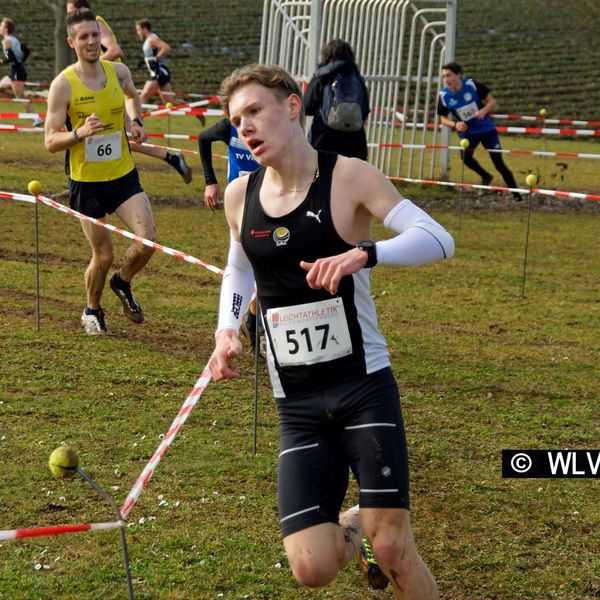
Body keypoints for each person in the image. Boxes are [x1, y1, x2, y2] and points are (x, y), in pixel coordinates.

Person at [207, 63, 454, 598]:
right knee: (311, 567)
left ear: (292, 107)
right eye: (235, 119)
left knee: (393, 550)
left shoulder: (349, 176)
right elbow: (240, 267)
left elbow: (437, 237)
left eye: (255, 111)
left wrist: (364, 254)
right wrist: (227, 331)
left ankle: (379, 532)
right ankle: (357, 522)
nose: (244, 127)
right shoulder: (239, 194)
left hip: (363, 385)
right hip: (296, 400)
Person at [45, 7, 157, 335]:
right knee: (103, 254)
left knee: (148, 241)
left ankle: (122, 283)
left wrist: (135, 123)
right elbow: (50, 141)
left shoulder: (118, 72)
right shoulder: (62, 85)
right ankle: (92, 309)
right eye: (84, 37)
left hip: (123, 176)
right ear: (72, 41)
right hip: (86, 183)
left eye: (95, 34)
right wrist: (78, 133)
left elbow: (133, 97)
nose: (92, 41)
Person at [65, 1, 192, 184]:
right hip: (103, 85)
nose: (68, 18)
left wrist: (90, 65)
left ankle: (84, 182)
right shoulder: (89, 27)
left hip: (110, 84)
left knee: (112, 136)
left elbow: (115, 50)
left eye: (71, 12)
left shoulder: (96, 23)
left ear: (82, 10)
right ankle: (171, 158)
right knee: (116, 137)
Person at [198, 117, 263, 355]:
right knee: (248, 266)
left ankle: (255, 324)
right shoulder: (228, 126)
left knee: (263, 265)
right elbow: (204, 138)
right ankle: (255, 327)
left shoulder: (272, 126)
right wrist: (210, 182)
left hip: (270, 203)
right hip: (239, 207)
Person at [437, 61, 522, 201]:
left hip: (486, 129)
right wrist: (455, 124)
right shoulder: (444, 96)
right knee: (466, 158)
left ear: (458, 75)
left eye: (449, 75)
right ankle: (486, 176)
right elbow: (443, 119)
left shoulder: (472, 85)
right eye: (444, 76)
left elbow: (492, 102)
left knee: (499, 164)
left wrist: (483, 111)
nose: (446, 79)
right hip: (469, 133)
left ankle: (517, 196)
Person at [303, 39, 370, 160]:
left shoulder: (322, 76)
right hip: (355, 142)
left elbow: (306, 106)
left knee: (321, 176)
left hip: (323, 139)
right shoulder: (357, 77)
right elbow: (365, 110)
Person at [0, 17, 43, 127]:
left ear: (6, 29)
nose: (0, 28)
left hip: (17, 72)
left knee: (19, 97)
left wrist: (2, 61)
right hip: (16, 70)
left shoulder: (6, 41)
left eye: (1, 26)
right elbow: (27, 51)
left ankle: (36, 118)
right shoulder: (14, 39)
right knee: (2, 87)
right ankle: (24, 101)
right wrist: (20, 62)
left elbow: (12, 59)